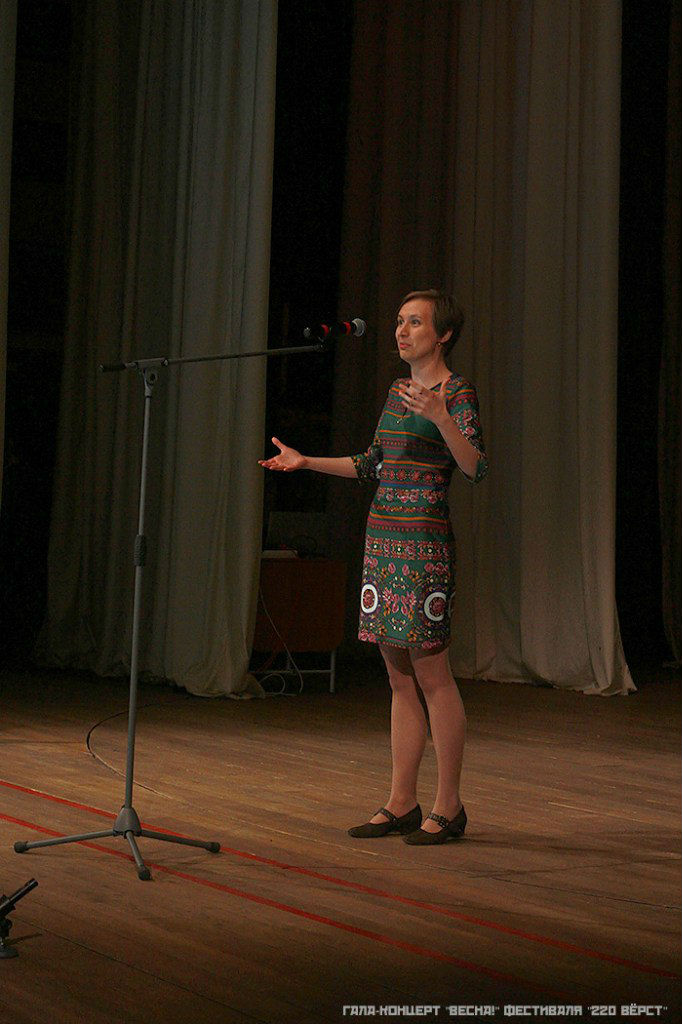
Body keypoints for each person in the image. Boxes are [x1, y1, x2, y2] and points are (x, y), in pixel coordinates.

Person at [259, 289, 488, 845]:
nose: (402, 331)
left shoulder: (455, 392)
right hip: (383, 541)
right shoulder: (396, 392)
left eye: (415, 322)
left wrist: (441, 417)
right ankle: (401, 801)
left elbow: (475, 467)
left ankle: (449, 806)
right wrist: (305, 461)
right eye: (400, 321)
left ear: (443, 334)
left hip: (423, 546)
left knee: (432, 674)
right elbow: (371, 464)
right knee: (398, 676)